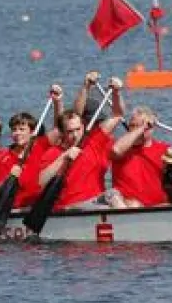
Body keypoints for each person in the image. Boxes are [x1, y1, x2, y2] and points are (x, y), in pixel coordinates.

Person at [36, 74, 125, 211]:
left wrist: (116, 93)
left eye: (78, 129)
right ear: (63, 133)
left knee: (113, 194)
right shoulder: (53, 153)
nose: (75, 135)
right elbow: (40, 183)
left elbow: (118, 115)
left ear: (83, 127)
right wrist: (64, 158)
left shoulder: (94, 142)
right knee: (104, 208)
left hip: (95, 200)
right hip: (70, 207)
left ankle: (127, 226)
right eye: (70, 132)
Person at [108, 106, 171, 208]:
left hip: (157, 207)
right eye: (132, 126)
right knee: (134, 205)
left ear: (152, 129)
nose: (136, 129)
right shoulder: (122, 148)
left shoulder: (164, 149)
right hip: (128, 205)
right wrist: (141, 128)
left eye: (140, 126)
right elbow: (115, 151)